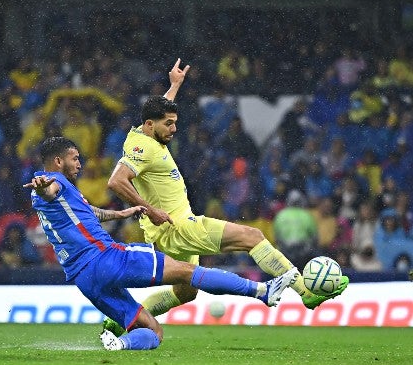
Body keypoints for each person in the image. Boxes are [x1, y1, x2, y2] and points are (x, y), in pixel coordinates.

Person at [104, 59, 349, 336]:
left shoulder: (143, 133)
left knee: (185, 294)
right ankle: (306, 292)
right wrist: (150, 210)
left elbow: (157, 112)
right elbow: (116, 181)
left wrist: (174, 86)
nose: (174, 129)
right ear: (150, 125)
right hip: (179, 226)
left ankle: (120, 319)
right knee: (252, 237)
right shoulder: (142, 147)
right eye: (169, 124)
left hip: (168, 230)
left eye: (175, 123)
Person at [24, 137, 298, 350]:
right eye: (75, 159)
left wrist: (120, 213)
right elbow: (50, 190)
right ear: (58, 161)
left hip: (84, 278)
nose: (79, 163)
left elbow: (88, 212)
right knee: (187, 273)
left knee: (154, 331)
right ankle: (262, 291)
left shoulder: (59, 194)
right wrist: (42, 186)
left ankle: (121, 344)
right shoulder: (54, 182)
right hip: (106, 259)